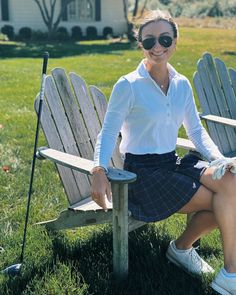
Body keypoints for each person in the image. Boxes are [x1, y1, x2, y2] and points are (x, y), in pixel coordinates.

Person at [91, 10, 236, 295]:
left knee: (231, 184)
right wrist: (98, 169)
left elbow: (195, 131)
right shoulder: (128, 85)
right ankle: (213, 265)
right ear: (140, 45)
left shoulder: (181, 83)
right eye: (150, 41)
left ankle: (214, 264)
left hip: (172, 163)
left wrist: (220, 160)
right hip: (141, 174)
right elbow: (107, 133)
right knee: (225, 199)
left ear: (175, 40)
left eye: (165, 38)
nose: (158, 46)